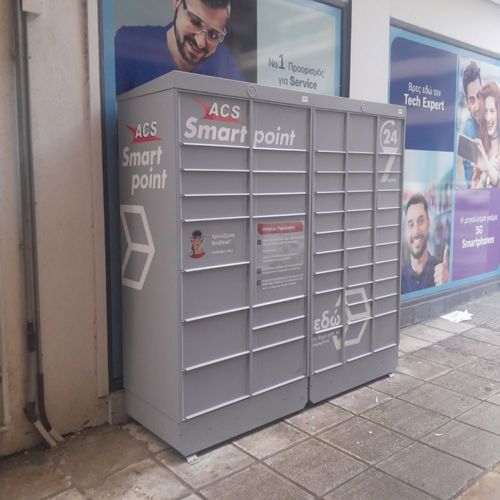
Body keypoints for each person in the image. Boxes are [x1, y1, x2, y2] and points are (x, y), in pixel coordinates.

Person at [115, 0, 244, 95]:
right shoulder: (131, 45)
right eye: (195, 22)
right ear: (177, 3)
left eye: (213, 35)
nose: (200, 42)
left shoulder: (226, 66)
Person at [401, 193, 449, 294]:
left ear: (428, 224)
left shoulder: (443, 272)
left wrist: (447, 285)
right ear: (405, 232)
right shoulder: (399, 278)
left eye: (420, 221)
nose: (416, 231)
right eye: (411, 224)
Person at [471, 81, 500, 189]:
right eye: (486, 112)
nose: (488, 118)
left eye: (492, 111)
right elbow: (472, 194)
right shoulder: (481, 150)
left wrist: (489, 169)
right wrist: (484, 174)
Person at [461, 62, 482, 188]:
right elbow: (472, 188)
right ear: (467, 103)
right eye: (472, 100)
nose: (477, 106)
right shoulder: (468, 133)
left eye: (479, 96)